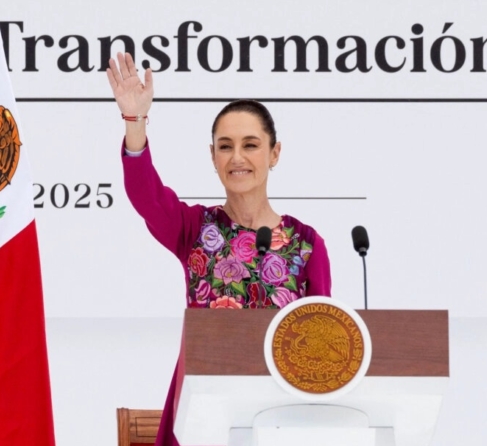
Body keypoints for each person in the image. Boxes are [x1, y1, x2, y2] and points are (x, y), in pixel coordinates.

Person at [106, 52, 332, 445]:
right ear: (212, 157)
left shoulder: (306, 244)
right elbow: (146, 195)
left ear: (274, 153)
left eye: (251, 144)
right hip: (199, 421)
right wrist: (135, 121)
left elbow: (321, 342)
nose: (238, 157)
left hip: (281, 424)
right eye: (225, 146)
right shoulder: (195, 229)